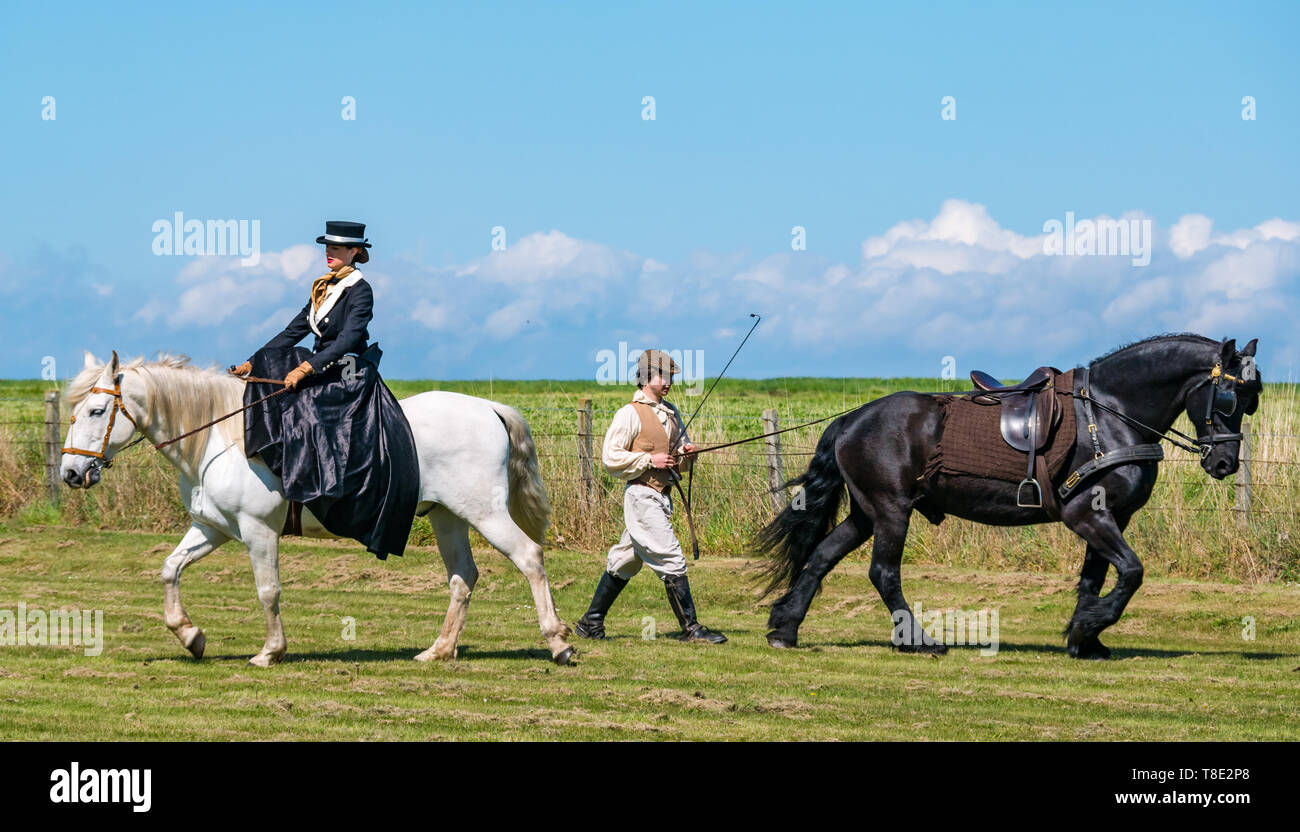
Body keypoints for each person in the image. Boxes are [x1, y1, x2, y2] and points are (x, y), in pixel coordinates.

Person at [230, 221, 418, 560]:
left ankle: (323, 488)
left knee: (307, 407)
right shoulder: (323, 288)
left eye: (336, 248)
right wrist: (253, 361)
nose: (328, 253)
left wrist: (306, 367)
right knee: (272, 380)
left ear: (354, 252)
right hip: (320, 363)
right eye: (327, 247)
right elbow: (294, 331)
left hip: (347, 368)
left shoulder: (361, 290)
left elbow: (348, 338)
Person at [574, 349, 727, 644]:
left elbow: (676, 460)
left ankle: (590, 623)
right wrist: (648, 460)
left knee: (624, 561)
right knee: (672, 558)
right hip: (641, 498)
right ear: (645, 377)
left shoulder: (671, 412)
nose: (668, 381)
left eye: (670, 376)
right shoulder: (629, 413)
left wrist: (685, 455)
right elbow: (610, 457)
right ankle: (691, 629)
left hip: (661, 497)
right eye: (662, 376)